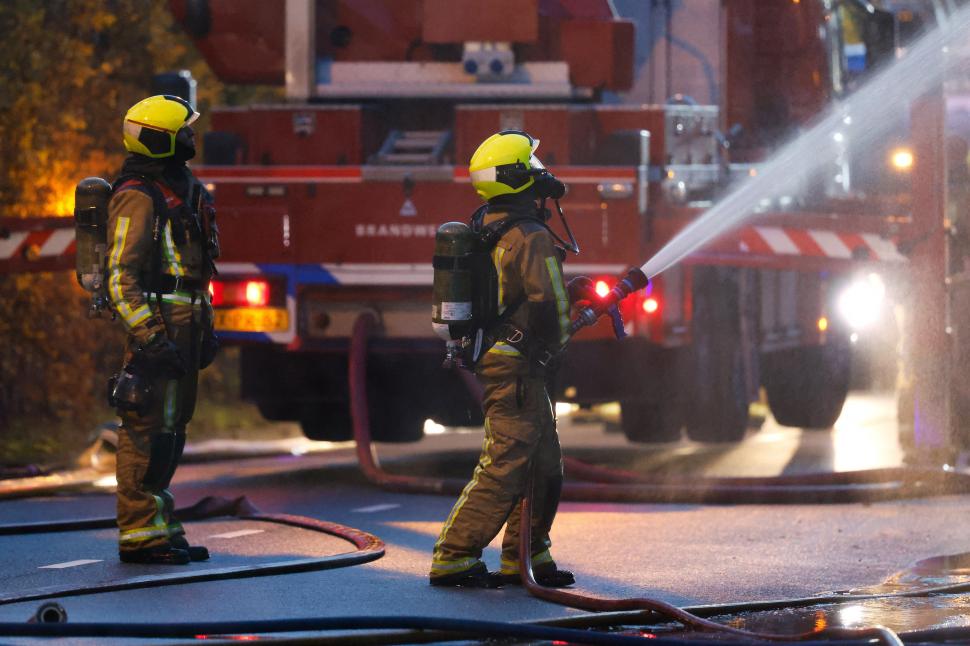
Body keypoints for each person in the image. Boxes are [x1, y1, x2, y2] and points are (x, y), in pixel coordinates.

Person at [429, 131, 579, 588]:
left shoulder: (489, 225)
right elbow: (549, 305)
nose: (541, 172)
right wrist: (564, 329)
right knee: (505, 464)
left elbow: (510, 294)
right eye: (532, 164)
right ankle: (454, 555)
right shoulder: (530, 236)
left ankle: (527, 554)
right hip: (517, 367)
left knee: (544, 464)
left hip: (507, 360)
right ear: (517, 176)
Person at [106, 94, 220, 565]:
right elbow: (120, 277)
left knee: (173, 428)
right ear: (160, 140)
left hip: (187, 320)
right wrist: (151, 338)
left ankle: (161, 524)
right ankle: (139, 533)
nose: (192, 137)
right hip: (160, 324)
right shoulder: (137, 194)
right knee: (146, 427)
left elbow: (198, 269)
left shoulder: (184, 188)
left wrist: (206, 325)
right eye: (183, 131)